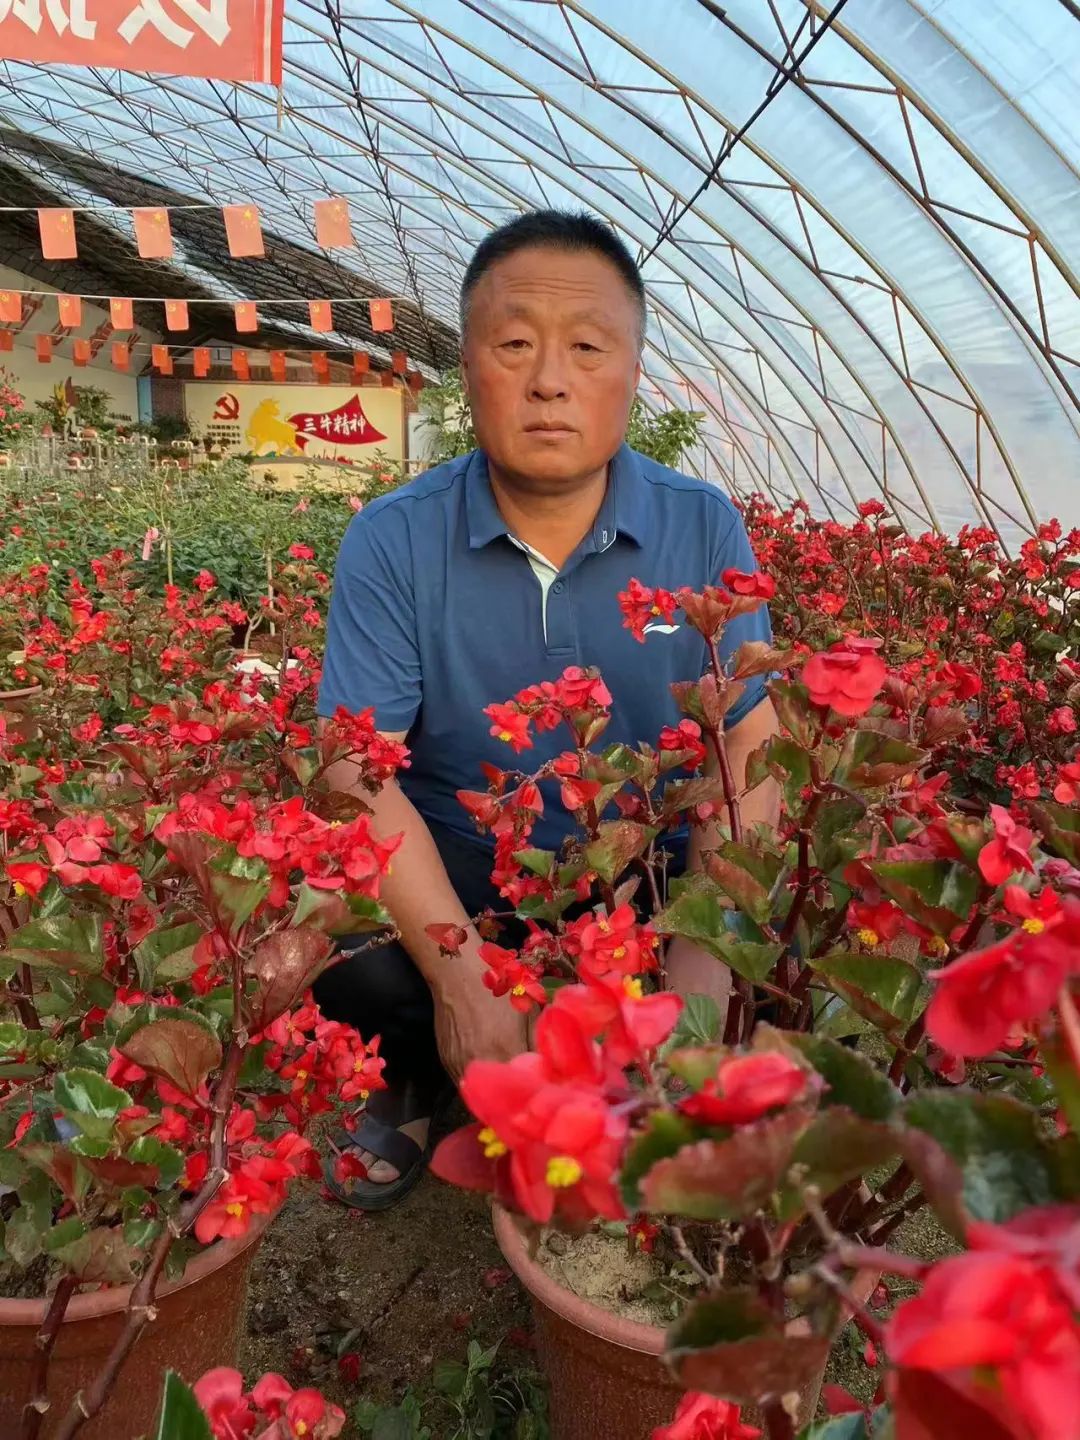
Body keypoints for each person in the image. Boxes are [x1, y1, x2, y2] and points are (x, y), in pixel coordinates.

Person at [314, 209, 779, 1209]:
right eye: (515, 344)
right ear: (469, 366)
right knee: (341, 942)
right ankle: (410, 1073)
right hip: (460, 897)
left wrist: (697, 973)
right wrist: (459, 972)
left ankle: (640, 1049)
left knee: (759, 942)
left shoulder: (701, 529)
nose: (548, 380)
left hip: (641, 896)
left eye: (585, 347)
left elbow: (747, 746)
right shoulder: (395, 541)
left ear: (632, 371)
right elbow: (357, 773)